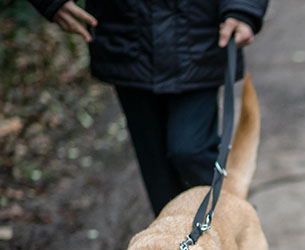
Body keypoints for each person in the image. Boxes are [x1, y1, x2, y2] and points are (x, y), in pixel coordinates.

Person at [28, 0, 270, 215]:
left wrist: (244, 7)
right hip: (126, 40)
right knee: (159, 180)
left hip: (199, 36)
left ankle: (238, 222)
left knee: (189, 150)